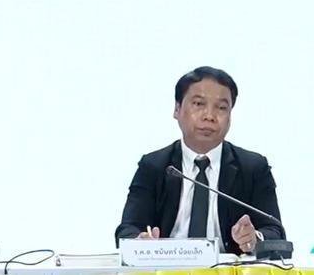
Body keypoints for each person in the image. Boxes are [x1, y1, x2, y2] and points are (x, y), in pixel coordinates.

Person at [115, 66, 285, 254]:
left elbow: (275, 232)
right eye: (198, 104)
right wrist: (140, 242)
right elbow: (127, 229)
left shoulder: (252, 168)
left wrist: (254, 239)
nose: (209, 116)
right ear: (177, 109)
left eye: (221, 108)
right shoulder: (154, 166)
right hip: (168, 267)